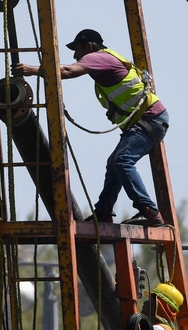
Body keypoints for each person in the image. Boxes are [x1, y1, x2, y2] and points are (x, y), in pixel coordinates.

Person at [12, 29, 169, 227]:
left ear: (88, 46)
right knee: (114, 162)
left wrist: (32, 70)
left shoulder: (99, 58)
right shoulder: (107, 60)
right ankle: (103, 212)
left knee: (121, 161)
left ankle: (149, 210)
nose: (75, 56)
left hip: (149, 119)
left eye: (77, 49)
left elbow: (68, 71)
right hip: (146, 120)